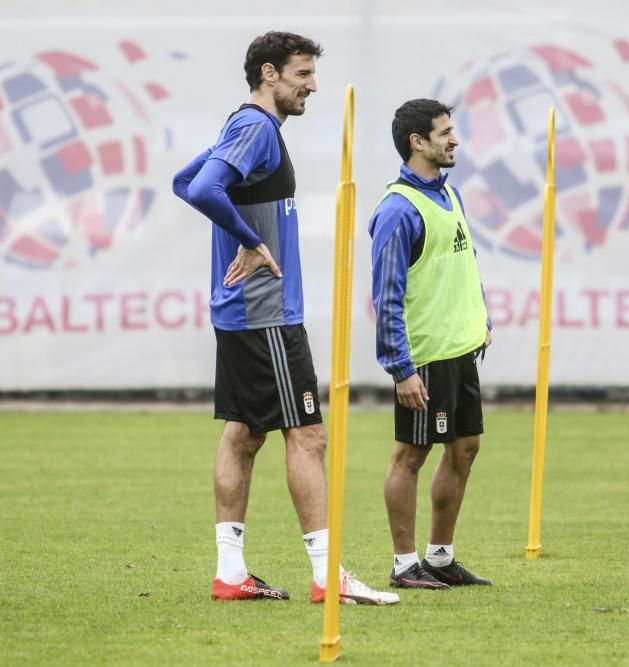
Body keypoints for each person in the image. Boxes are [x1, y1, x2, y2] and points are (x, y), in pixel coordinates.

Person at [172, 31, 397, 606]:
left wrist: (241, 233)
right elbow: (200, 187)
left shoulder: (242, 125)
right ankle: (328, 576)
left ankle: (230, 574)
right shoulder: (254, 127)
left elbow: (184, 182)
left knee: (245, 435)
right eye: (302, 74)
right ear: (269, 74)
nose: (312, 86)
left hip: (245, 314)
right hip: (266, 313)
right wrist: (249, 240)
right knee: (308, 435)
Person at [367, 98, 494, 590]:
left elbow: (465, 262)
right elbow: (387, 296)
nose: (454, 139)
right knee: (411, 456)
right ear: (417, 142)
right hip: (425, 358)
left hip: (461, 350)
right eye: (444, 132)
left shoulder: (451, 196)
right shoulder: (398, 210)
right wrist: (401, 369)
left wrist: (480, 316)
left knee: (465, 447)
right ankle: (404, 565)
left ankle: (440, 557)